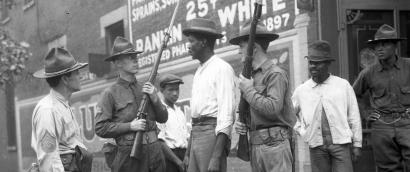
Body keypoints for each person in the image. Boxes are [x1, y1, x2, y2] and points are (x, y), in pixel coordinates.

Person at [95, 37, 168, 172]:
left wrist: (155, 98)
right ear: (118, 63)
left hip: (155, 153)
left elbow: (163, 118)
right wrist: (130, 126)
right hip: (130, 157)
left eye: (135, 56)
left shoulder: (146, 88)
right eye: (130, 57)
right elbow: (100, 127)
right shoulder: (110, 93)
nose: (135, 60)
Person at [231, 21, 296, 172]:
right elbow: (257, 112)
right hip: (257, 145)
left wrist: (248, 90)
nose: (238, 51)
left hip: (275, 146)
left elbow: (273, 108)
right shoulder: (250, 77)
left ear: (253, 48)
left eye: (241, 46)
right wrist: (244, 123)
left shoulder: (275, 74)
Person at [292, 40, 362, 172]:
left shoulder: (342, 85)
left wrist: (357, 144)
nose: (313, 66)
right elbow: (291, 116)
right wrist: (303, 132)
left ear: (328, 63)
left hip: (341, 145)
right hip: (317, 147)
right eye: (311, 62)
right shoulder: (302, 90)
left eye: (318, 63)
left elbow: (354, 116)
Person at [353, 24, 410, 171]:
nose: (379, 48)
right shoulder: (369, 73)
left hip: (407, 123)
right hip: (382, 125)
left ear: (395, 46)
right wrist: (366, 113)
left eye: (384, 44)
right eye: (377, 45)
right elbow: (353, 95)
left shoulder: (408, 66)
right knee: (388, 168)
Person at [182, 18, 237, 172]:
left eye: (191, 41)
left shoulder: (222, 68)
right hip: (196, 135)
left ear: (203, 42)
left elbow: (226, 115)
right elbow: (195, 116)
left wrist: (216, 157)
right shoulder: (199, 71)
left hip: (211, 134)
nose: (188, 45)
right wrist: (188, 152)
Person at [31, 47, 92, 172]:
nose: (80, 76)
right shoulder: (47, 110)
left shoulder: (62, 105)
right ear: (65, 79)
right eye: (76, 72)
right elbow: (48, 160)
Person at [156, 73, 190, 172]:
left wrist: (186, 156)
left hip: (183, 155)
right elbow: (160, 141)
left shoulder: (179, 111)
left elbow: (186, 137)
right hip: (169, 157)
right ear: (162, 91)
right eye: (170, 90)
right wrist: (177, 162)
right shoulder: (159, 111)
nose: (175, 93)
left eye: (177, 89)